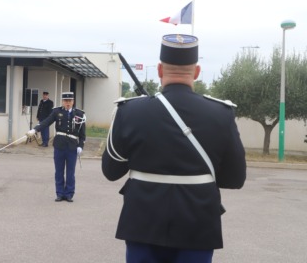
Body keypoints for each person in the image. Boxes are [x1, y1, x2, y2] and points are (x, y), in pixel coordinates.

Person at [102, 34, 246, 263]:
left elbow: (111, 171)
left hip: (142, 223)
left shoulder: (130, 111)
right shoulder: (221, 114)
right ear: (196, 72)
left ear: (159, 70)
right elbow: (235, 179)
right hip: (197, 225)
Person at [27, 92, 86, 202]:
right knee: (58, 171)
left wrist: (81, 146)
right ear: (62, 101)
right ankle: (59, 193)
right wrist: (35, 129)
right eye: (65, 101)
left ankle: (69, 194)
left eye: (69, 101)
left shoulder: (79, 114)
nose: (67, 103)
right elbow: (46, 122)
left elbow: (83, 134)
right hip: (59, 145)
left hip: (72, 146)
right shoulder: (57, 111)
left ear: (73, 101)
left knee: (70, 172)